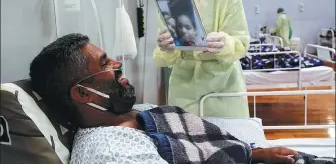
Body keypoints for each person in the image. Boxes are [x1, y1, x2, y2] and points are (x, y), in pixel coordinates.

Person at [29, 33, 334, 164]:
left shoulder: (137, 113)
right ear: (82, 93)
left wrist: (255, 154)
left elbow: (198, 145)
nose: (118, 66)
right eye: (105, 63)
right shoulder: (111, 151)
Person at [153, 0, 250, 118]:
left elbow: (241, 43)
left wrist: (225, 44)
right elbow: (165, 58)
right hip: (184, 89)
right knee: (187, 139)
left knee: (230, 139)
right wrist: (165, 48)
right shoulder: (172, 3)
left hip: (223, 85)